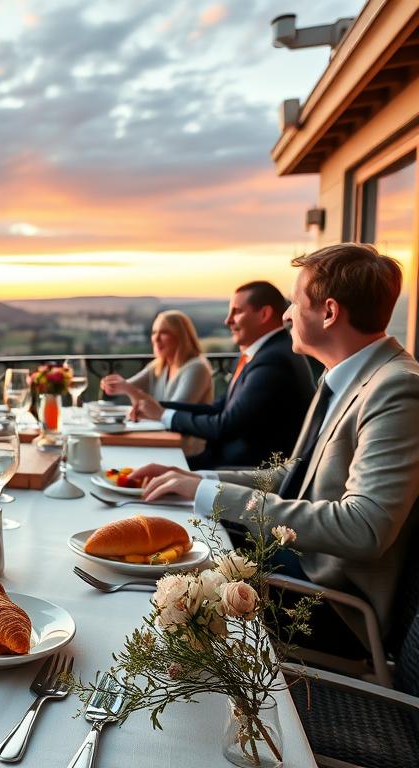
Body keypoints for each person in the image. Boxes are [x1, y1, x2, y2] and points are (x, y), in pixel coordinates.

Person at [134, 243, 419, 649]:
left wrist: (208, 495)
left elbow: (364, 528)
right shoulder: (341, 377)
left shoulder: (397, 388)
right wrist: (196, 479)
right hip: (297, 565)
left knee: (167, 581)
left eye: (294, 303)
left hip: (332, 604)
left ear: (330, 312)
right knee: (167, 549)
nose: (285, 315)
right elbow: (290, 475)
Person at [129, 282, 315, 470]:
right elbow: (220, 408)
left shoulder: (273, 360)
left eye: (237, 311)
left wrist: (164, 415)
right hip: (227, 459)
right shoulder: (261, 354)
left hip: (246, 471)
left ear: (264, 314)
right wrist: (159, 407)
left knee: (147, 472)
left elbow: (225, 426)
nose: (228, 320)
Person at [101, 310, 213, 455]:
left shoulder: (197, 368)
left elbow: (173, 413)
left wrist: (129, 389)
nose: (156, 338)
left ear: (181, 337)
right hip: (162, 439)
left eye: (164, 332)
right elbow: (129, 386)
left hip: (186, 450)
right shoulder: (160, 364)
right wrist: (114, 385)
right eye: (154, 332)